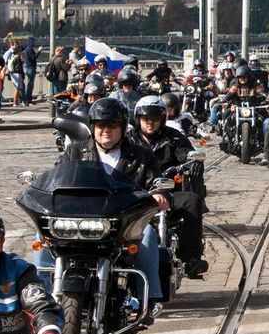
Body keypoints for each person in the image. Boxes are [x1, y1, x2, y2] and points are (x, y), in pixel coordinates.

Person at [40, 97, 174, 319]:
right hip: (80, 218)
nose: (106, 131)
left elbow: (155, 181)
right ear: (93, 127)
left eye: (112, 126)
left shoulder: (140, 155)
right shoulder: (76, 151)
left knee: (148, 235)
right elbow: (58, 179)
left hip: (123, 220)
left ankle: (149, 299)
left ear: (122, 128)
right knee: (44, 237)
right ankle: (43, 298)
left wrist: (159, 193)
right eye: (101, 126)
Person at [132, 94, 208, 278]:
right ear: (138, 119)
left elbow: (187, 153)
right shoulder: (127, 139)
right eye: (146, 119)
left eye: (155, 119)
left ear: (162, 119)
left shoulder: (173, 137)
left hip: (167, 195)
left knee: (192, 201)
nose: (150, 123)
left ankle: (191, 258)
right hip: (133, 196)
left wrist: (194, 162)